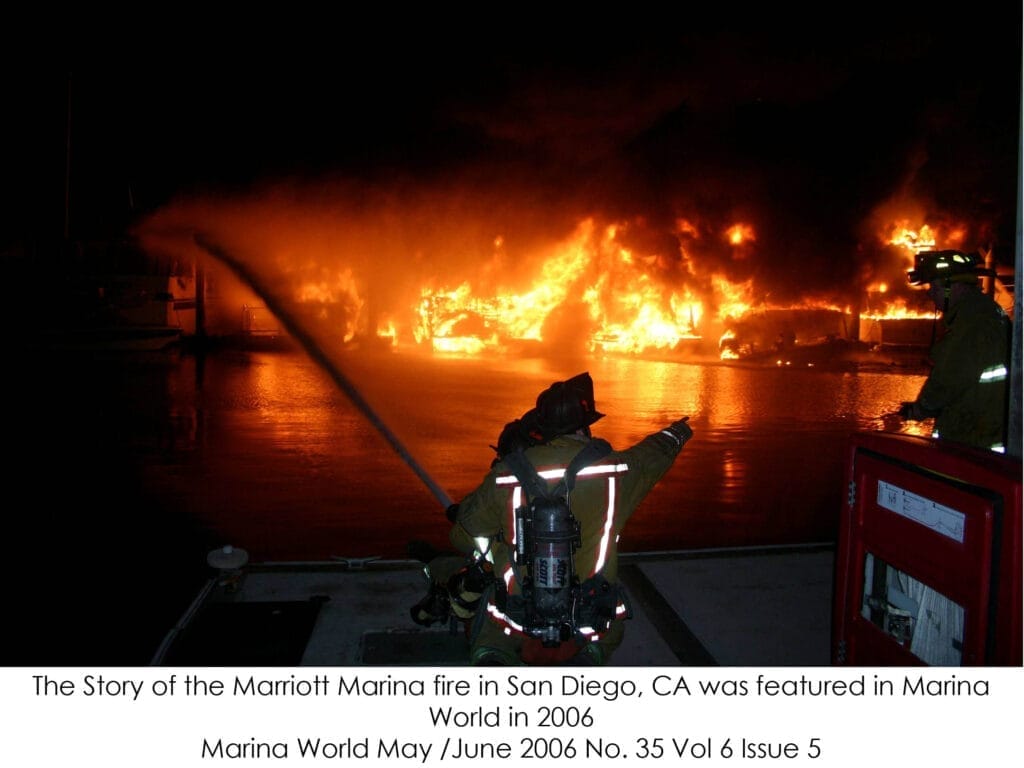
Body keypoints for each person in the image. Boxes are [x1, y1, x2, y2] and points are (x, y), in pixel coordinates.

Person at [435, 371, 692, 666]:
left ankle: (492, 654)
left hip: (517, 622)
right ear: (585, 425)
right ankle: (591, 655)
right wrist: (680, 431)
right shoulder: (618, 471)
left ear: (541, 426)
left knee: (490, 623)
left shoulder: (505, 475)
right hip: (589, 621)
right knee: (612, 626)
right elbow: (655, 451)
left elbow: (464, 533)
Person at [898, 249, 1011, 453]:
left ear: (952, 286)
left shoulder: (971, 324)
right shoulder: (985, 312)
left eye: (934, 286)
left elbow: (948, 380)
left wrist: (918, 410)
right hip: (985, 435)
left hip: (971, 444)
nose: (930, 293)